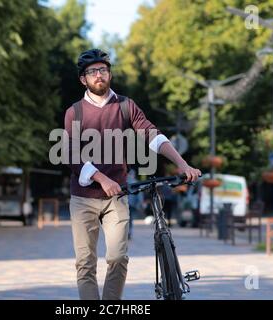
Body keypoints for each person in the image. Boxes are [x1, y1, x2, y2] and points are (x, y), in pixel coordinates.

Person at [64, 48, 201, 300]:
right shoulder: (75, 112)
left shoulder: (126, 106)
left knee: (117, 257)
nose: (99, 75)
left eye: (103, 70)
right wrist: (102, 179)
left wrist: (182, 164)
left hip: (118, 196)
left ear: (110, 74)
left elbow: (152, 134)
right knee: (85, 263)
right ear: (83, 79)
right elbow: (73, 155)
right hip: (83, 197)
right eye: (92, 72)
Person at [127, 169, 144, 240]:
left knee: (123, 218)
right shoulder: (136, 182)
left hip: (124, 203)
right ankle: (129, 232)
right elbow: (139, 194)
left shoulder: (124, 181)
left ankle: (124, 232)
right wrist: (140, 203)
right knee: (130, 219)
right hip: (132, 204)